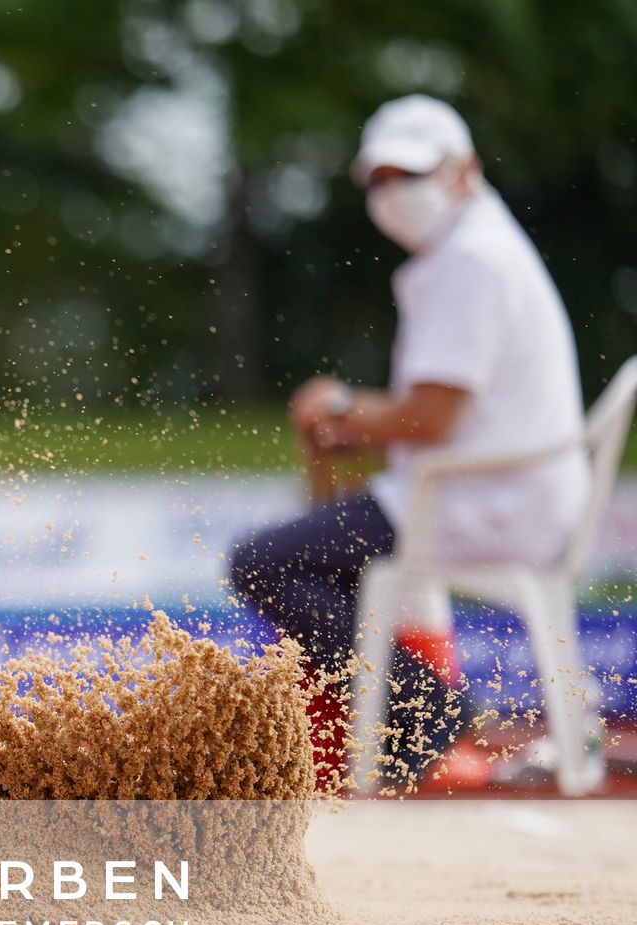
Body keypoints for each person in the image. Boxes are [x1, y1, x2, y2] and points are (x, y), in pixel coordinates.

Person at [229, 96, 590, 788]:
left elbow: (430, 419)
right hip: (492, 488)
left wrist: (337, 405)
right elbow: (434, 422)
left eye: (410, 174)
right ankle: (402, 724)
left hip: (491, 500)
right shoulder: (475, 249)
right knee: (314, 549)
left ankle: (424, 715)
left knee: (262, 562)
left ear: (464, 171)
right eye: (380, 178)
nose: (394, 193)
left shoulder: (472, 261)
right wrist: (356, 428)